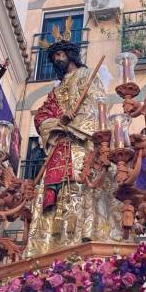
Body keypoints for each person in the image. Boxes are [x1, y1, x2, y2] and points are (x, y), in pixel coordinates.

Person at [26, 31, 121, 256]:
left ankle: (86, 233)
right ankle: (52, 245)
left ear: (70, 55)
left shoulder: (87, 75)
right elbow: (41, 116)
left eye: (60, 54)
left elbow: (99, 103)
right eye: (53, 58)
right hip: (61, 146)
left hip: (82, 143)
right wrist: (59, 122)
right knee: (57, 193)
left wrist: (74, 123)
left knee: (84, 184)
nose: (57, 60)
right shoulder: (55, 91)